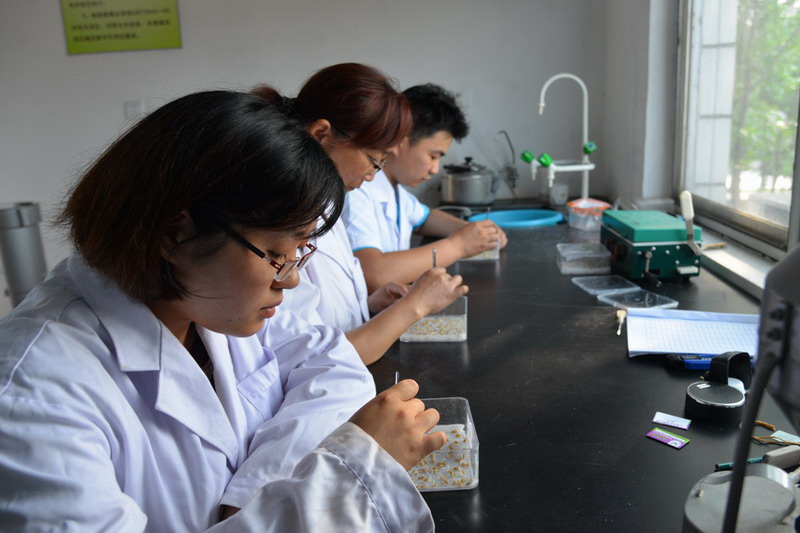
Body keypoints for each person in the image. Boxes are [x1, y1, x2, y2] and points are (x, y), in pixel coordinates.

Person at [0, 91, 445, 532]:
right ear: (174, 233)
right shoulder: (33, 395)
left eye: (299, 251)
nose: (291, 279)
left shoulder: (208, 301)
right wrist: (353, 475)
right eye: (276, 253)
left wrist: (250, 498)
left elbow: (333, 361)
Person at [253, 64, 467, 365]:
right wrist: (414, 307)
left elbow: (327, 316)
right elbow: (309, 358)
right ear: (322, 134)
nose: (371, 176)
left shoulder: (328, 203)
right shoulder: (283, 220)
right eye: (374, 161)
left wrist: (368, 305)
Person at [342, 83, 509, 293]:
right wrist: (459, 245)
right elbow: (374, 275)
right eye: (433, 156)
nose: (434, 169)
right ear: (399, 141)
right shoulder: (358, 191)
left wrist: (476, 233)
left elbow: (425, 218)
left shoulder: (395, 190)